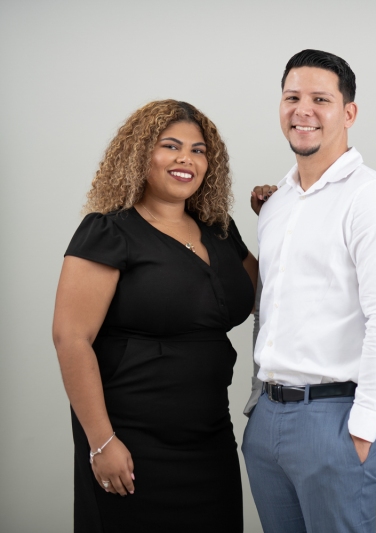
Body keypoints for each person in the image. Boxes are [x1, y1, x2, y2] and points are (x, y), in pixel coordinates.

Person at [52, 100, 256, 532]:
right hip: (130, 439)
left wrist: (284, 211)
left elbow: (267, 291)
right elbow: (71, 338)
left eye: (199, 150)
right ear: (141, 154)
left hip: (210, 434)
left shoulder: (220, 230)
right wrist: (101, 442)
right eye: (171, 146)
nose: (187, 158)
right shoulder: (109, 230)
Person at [241, 49, 376, 533]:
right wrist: (257, 408)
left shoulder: (372, 199)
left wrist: (364, 426)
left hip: (336, 419)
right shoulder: (277, 204)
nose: (303, 110)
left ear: (348, 113)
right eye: (292, 97)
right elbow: (271, 308)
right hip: (268, 419)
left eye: (321, 99)